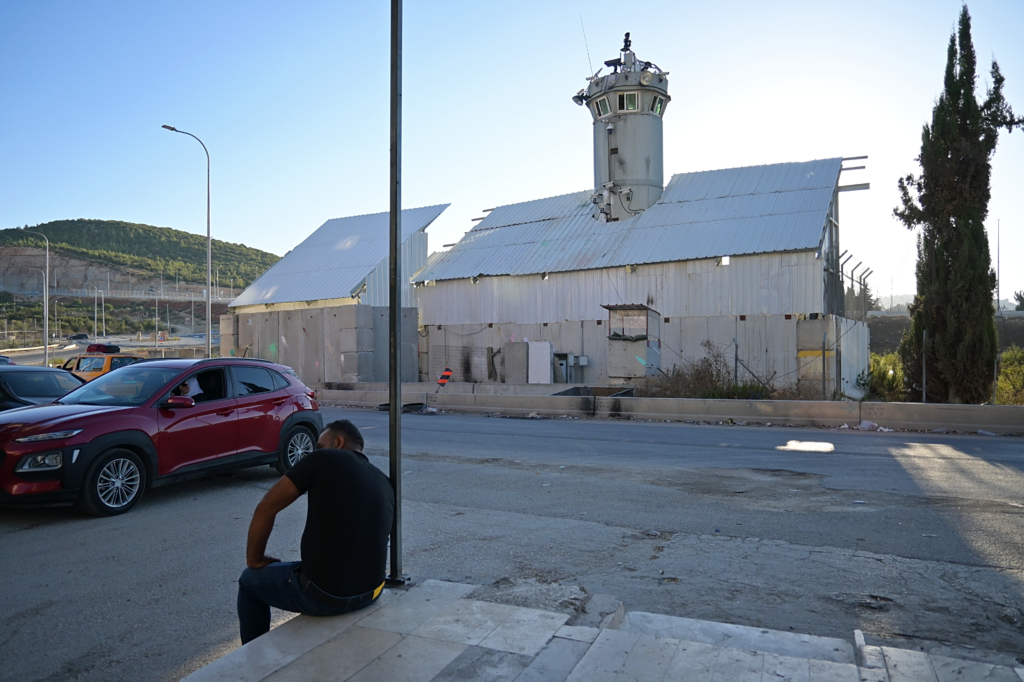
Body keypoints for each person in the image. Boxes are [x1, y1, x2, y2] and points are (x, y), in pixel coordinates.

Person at [236, 420, 395, 644]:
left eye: (320, 445)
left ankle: (252, 660)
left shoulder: (324, 458)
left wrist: (255, 559)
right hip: (371, 593)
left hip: (325, 596)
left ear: (339, 442)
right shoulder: (384, 481)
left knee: (249, 581)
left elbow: (266, 507)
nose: (315, 451)